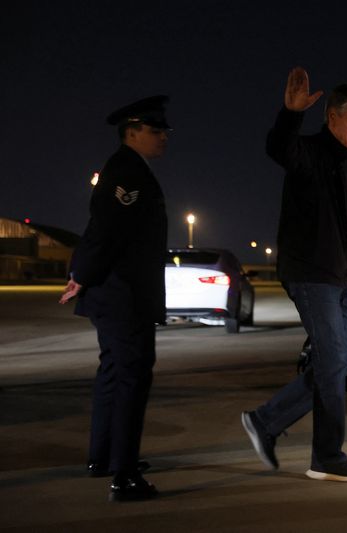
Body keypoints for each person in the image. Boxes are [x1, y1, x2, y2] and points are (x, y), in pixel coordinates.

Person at [241, 67, 347, 482]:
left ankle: (265, 422)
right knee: (334, 360)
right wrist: (290, 113)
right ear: (331, 117)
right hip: (310, 273)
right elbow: (279, 147)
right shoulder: (309, 153)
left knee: (344, 359)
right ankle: (328, 457)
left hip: (338, 278)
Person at [59, 95, 171, 501]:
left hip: (115, 294)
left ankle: (104, 457)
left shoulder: (128, 169)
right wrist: (81, 275)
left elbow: (100, 231)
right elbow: (105, 231)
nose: (164, 137)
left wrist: (81, 277)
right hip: (124, 297)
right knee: (132, 377)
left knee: (112, 372)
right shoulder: (127, 172)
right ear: (133, 132)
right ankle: (124, 476)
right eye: (156, 130)